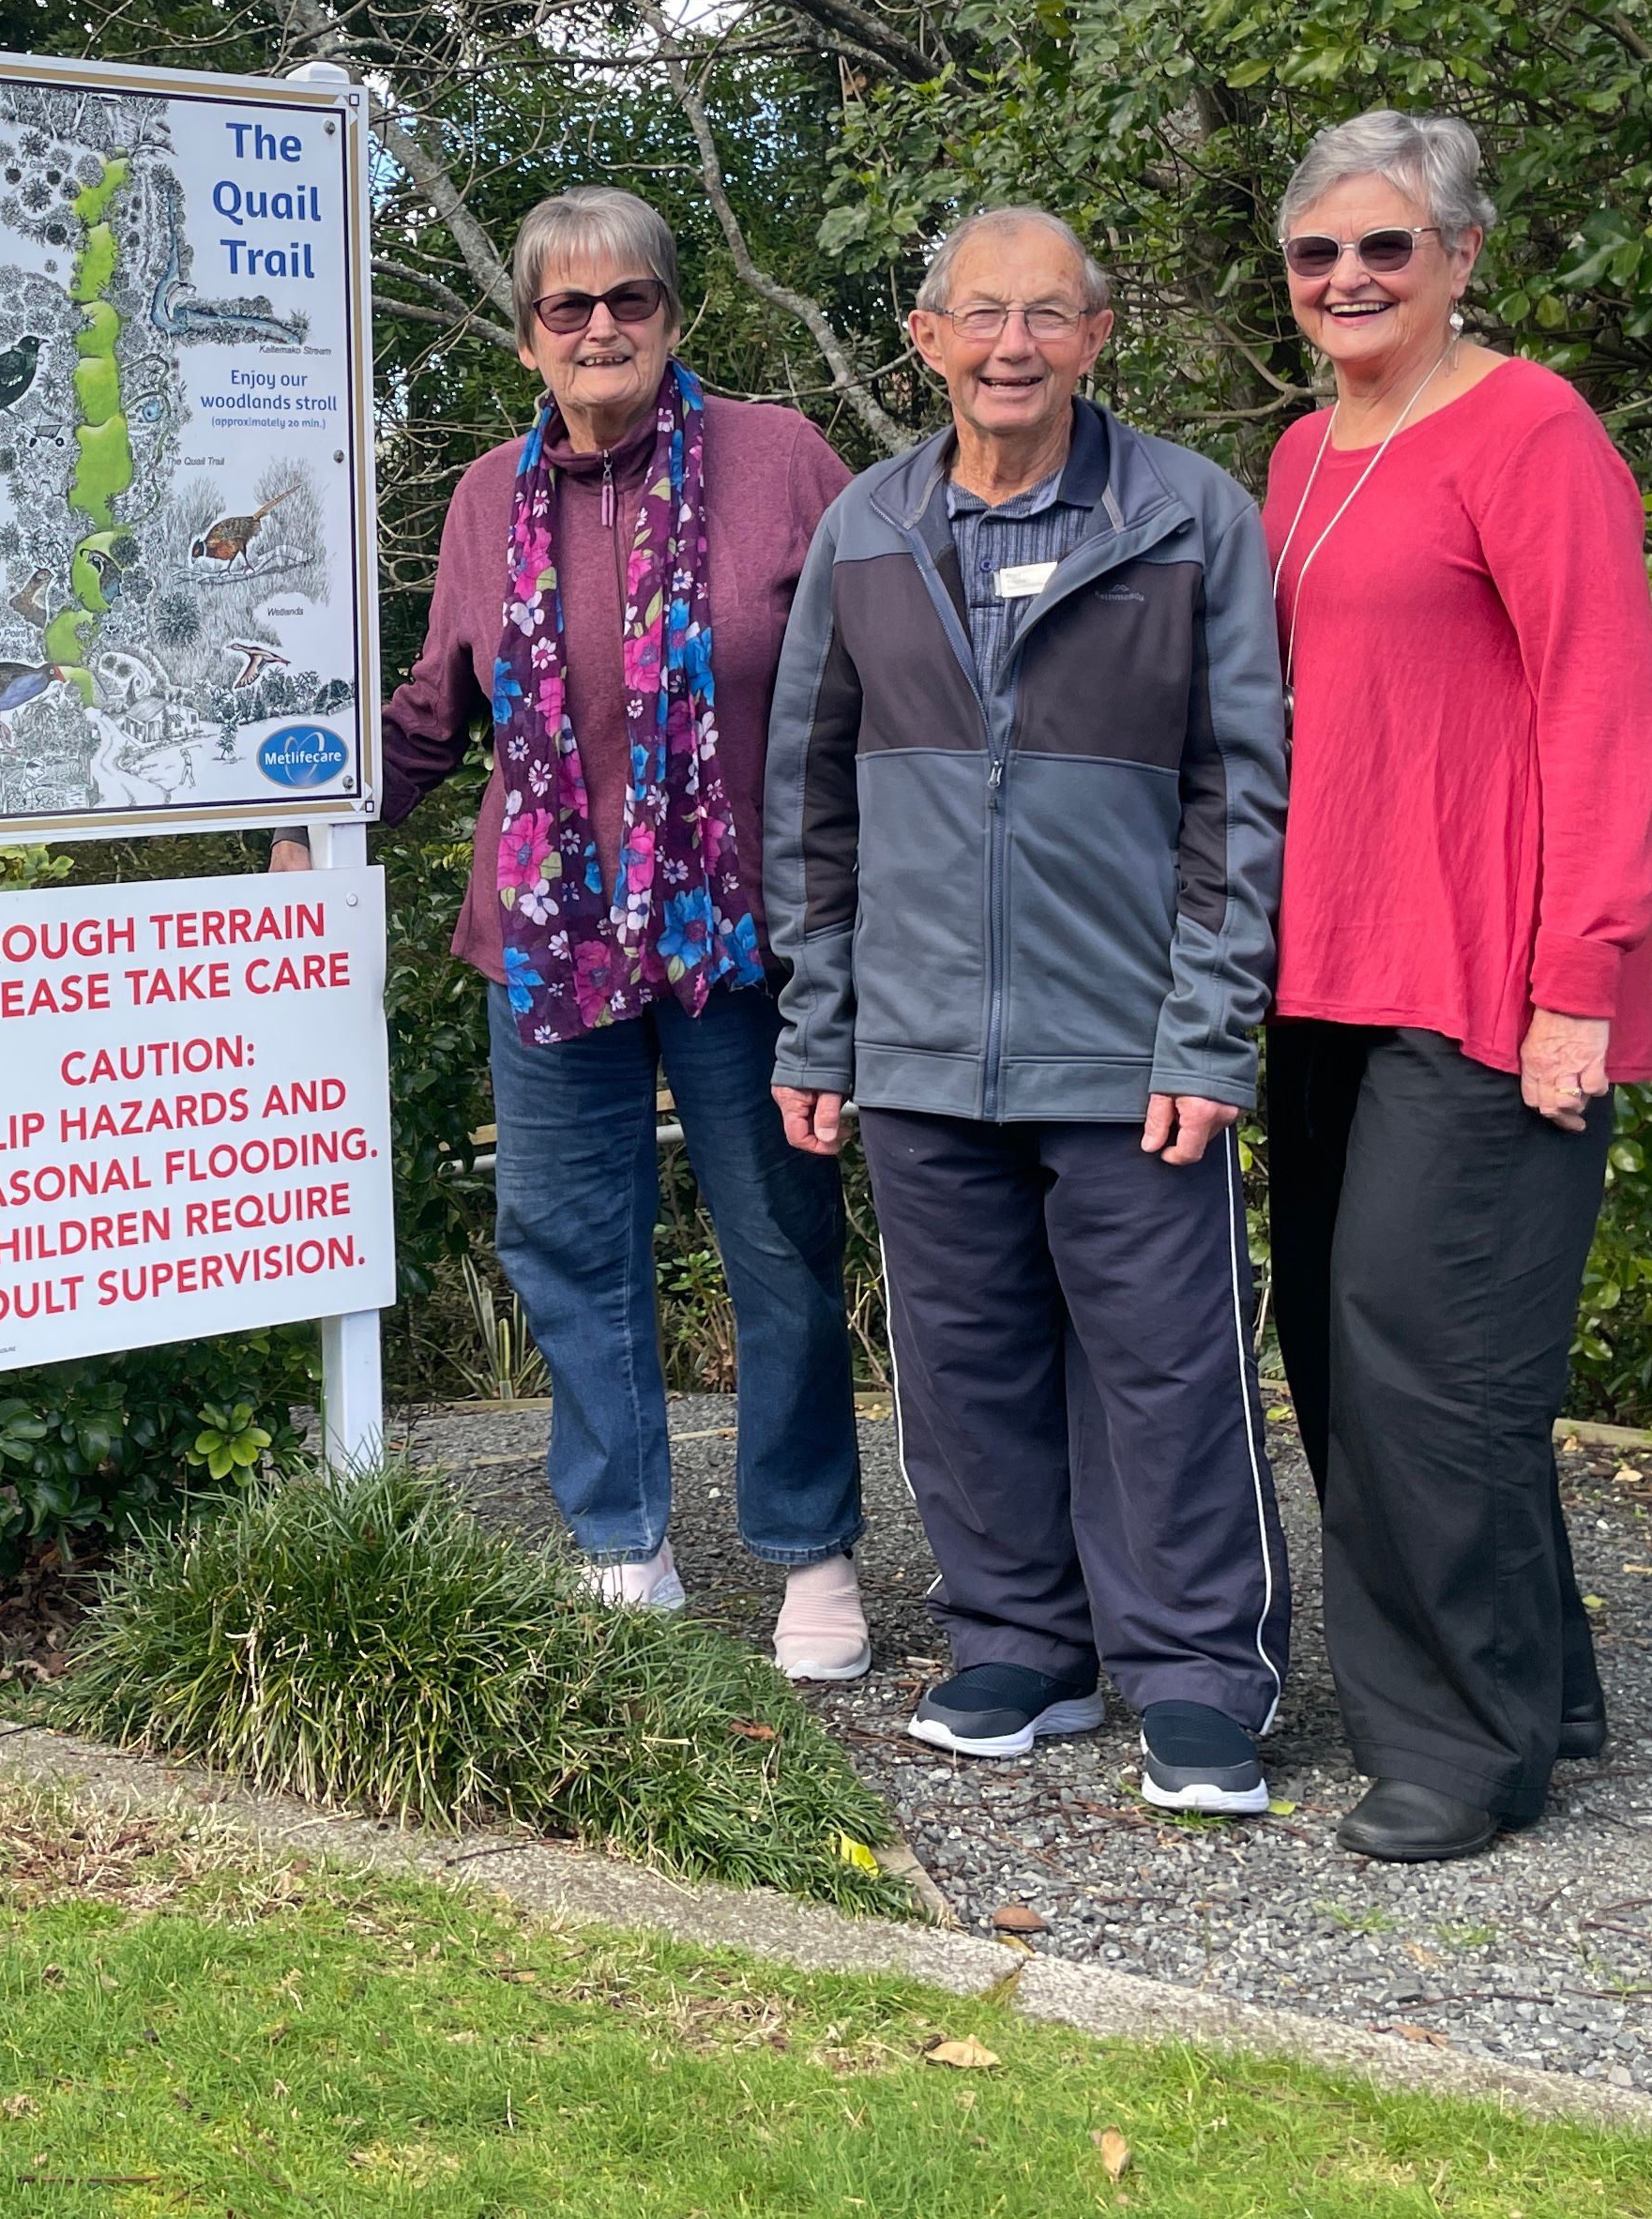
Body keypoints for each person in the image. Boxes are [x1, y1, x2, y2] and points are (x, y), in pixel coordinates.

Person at [285, 189, 871, 1679]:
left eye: (630, 302)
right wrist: (319, 821)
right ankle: (624, 1539)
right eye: (569, 309)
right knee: (567, 1243)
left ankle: (809, 1547)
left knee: (780, 1239)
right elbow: (439, 699)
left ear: (674, 315)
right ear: (531, 334)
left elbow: (884, 671)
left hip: (746, 942)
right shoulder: (489, 495)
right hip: (553, 940)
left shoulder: (782, 461)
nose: (600, 329)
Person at [765, 208, 1293, 1815]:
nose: (1013, 346)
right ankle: (1019, 1641)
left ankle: (1202, 1673)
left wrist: (1209, 1032)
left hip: (1130, 1049)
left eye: (1047, 317)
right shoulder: (865, 527)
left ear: (1098, 334)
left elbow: (1240, 795)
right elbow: (808, 802)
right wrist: (820, 1026)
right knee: (961, 1361)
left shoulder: (1190, 518)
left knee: (1173, 1370)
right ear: (924, 340)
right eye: (981, 316)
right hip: (921, 1046)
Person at [1257, 110, 1652, 1862]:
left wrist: (1581, 972)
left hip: (1491, 972)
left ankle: (1455, 1748)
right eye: (1316, 255)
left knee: (1431, 1359)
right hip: (1322, 969)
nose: (1348, 280)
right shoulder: (1300, 451)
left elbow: (1601, 702)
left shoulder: (1531, 428)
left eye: (1384, 250)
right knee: (1345, 1355)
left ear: (1461, 260)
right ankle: (1544, 1684)